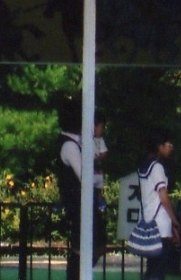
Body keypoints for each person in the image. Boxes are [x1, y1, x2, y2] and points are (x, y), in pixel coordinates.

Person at [57, 101, 108, 280]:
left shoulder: (78, 142)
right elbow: (84, 176)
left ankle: (79, 274)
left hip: (84, 202)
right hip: (77, 202)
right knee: (80, 248)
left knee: (97, 243)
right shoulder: (69, 146)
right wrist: (98, 179)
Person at [138, 129, 181, 280]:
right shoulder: (157, 168)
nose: (171, 148)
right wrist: (174, 220)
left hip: (149, 221)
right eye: (168, 145)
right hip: (161, 225)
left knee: (152, 267)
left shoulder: (144, 166)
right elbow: (163, 197)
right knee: (159, 269)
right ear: (159, 146)